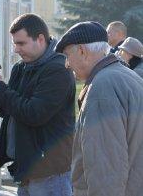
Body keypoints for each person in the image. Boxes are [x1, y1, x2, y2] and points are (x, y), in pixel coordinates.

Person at [0, 13, 75, 196]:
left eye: (21, 43)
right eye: (14, 43)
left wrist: (0, 88)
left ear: (40, 39)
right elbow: (6, 110)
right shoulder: (21, 67)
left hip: (49, 172)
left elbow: (34, 113)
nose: (16, 49)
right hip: (26, 167)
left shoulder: (58, 70)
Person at [56, 21, 143, 196]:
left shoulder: (102, 89)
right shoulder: (125, 76)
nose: (66, 64)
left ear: (82, 51)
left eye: (67, 55)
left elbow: (106, 173)